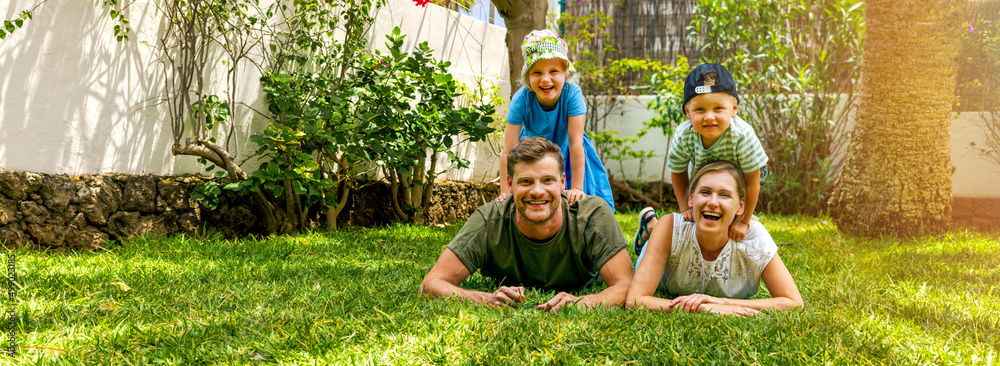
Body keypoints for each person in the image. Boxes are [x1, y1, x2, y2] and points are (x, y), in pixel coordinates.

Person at [420, 137, 632, 312]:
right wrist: (483, 298)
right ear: (510, 185)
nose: (537, 191)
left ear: (563, 182)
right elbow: (431, 284)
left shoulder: (592, 214)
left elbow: (626, 286)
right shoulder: (488, 220)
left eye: (548, 180)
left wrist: (583, 302)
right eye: (526, 181)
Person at [626, 161, 802, 316]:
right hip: (661, 248)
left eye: (724, 195)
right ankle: (651, 228)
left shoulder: (754, 237)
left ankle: (650, 227)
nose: (713, 202)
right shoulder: (670, 228)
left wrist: (724, 303)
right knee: (655, 238)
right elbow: (634, 300)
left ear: (740, 206)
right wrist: (702, 308)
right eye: (705, 192)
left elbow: (793, 302)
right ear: (691, 199)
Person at [634, 63, 767, 252]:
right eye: (700, 110)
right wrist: (685, 209)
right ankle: (652, 228)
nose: (709, 117)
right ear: (688, 112)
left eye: (718, 108)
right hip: (704, 183)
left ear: (734, 109)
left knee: (738, 237)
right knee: (694, 229)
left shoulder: (742, 136)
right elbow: (678, 172)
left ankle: (653, 228)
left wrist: (744, 221)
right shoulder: (684, 135)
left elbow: (753, 181)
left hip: (739, 185)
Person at [496, 29, 615, 212]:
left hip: (568, 151)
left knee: (580, 205)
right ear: (527, 76)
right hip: (533, 153)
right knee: (537, 200)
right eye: (537, 72)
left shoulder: (572, 93)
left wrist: (576, 187)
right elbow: (508, 151)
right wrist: (506, 192)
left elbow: (576, 143)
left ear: (565, 73)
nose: (545, 79)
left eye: (553, 71)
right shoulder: (522, 98)